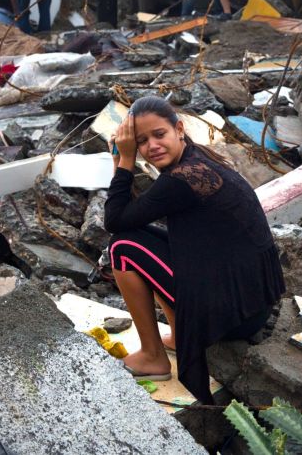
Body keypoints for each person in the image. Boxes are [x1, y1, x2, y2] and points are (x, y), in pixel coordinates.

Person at [103, 96, 285, 404]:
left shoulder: (181, 179)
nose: (152, 146)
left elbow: (114, 222)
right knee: (148, 242)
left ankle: (152, 357)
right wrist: (120, 160)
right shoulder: (198, 159)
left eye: (159, 134)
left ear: (179, 129)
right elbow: (130, 217)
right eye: (142, 141)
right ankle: (178, 332)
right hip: (250, 305)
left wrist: (125, 162)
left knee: (122, 248)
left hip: (234, 316)